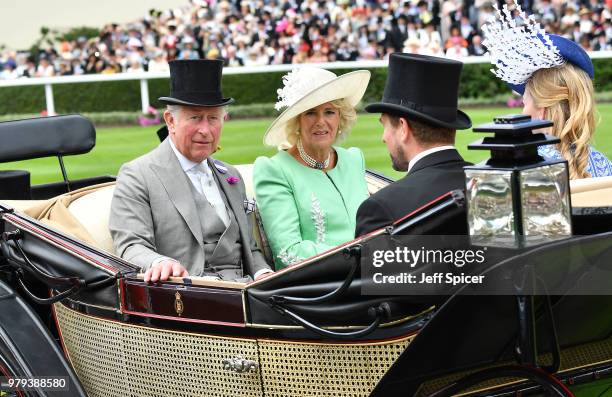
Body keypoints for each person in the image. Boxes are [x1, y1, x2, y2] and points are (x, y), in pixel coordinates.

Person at [109, 60, 272, 283]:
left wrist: (264, 274)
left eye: (213, 118)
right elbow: (131, 245)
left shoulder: (230, 176)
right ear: (170, 121)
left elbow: (250, 249)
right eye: (195, 118)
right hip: (188, 297)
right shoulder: (137, 175)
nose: (205, 130)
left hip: (247, 292)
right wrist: (159, 263)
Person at [254, 67, 371, 269]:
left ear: (340, 118)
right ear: (296, 121)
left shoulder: (353, 159)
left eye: (329, 112)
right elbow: (288, 252)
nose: (321, 122)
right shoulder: (274, 170)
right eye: (310, 113)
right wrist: (360, 258)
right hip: (319, 287)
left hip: (369, 275)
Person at [482, 1, 612, 179]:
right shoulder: (605, 166)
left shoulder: (520, 170)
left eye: (525, 103)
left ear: (542, 112)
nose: (523, 111)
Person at [355, 53, 472, 237]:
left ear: (403, 127)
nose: (383, 138)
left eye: (384, 125)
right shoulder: (489, 186)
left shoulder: (381, 208)